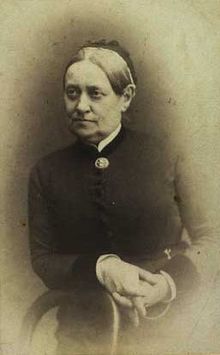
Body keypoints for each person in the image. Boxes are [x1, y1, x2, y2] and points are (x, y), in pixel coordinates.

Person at [28, 40, 220, 353]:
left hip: (166, 333)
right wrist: (103, 268)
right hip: (82, 338)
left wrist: (167, 286)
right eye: (72, 92)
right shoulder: (46, 172)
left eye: (95, 93)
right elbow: (43, 259)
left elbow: (213, 240)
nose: (81, 106)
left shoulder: (168, 157)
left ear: (125, 97)